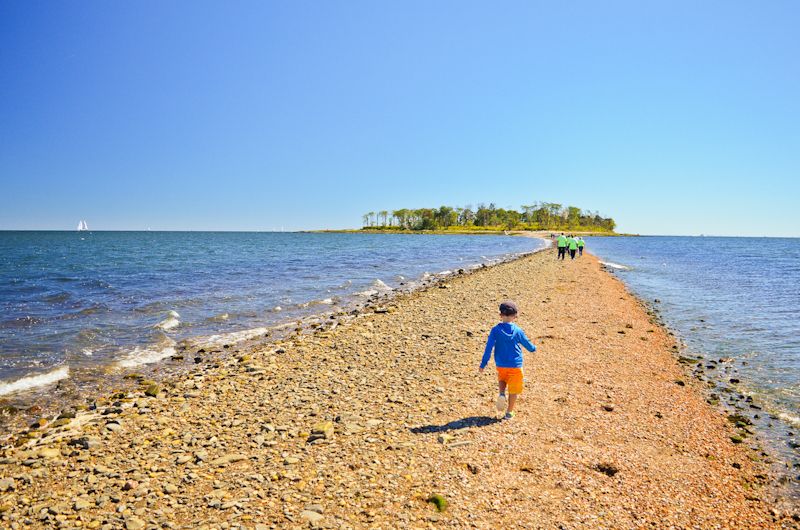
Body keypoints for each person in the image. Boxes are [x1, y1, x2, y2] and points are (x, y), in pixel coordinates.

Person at [479, 301, 536, 420]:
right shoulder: (518, 330)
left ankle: (501, 393)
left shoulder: (495, 330)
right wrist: (533, 348)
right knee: (514, 389)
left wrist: (483, 364)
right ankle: (509, 412)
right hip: (515, 364)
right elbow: (526, 343)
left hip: (500, 363)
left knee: (502, 378)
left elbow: (488, 348)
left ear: (500, 315)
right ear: (515, 316)